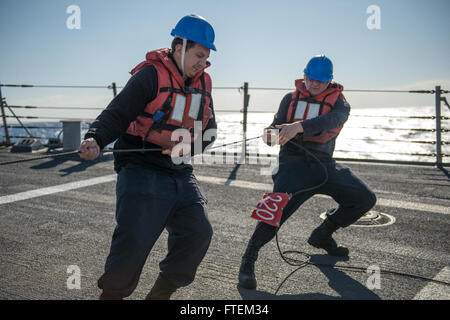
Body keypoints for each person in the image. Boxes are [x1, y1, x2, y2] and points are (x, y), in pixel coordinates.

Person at [79, 14, 217, 300]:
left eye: (206, 57)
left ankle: (161, 294)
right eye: (199, 55)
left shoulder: (204, 84)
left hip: (178, 167)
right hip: (139, 162)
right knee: (134, 240)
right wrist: (95, 138)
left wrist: (187, 148)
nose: (203, 62)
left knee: (198, 232)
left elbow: (210, 131)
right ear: (180, 48)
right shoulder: (150, 75)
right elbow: (117, 113)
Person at [238, 55, 377, 290]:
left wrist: (298, 127)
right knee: (274, 210)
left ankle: (323, 233)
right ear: (304, 76)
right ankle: (248, 258)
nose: (314, 84)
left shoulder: (340, 104)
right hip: (292, 166)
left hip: (324, 165)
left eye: (320, 82)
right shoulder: (288, 99)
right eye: (310, 79)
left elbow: (331, 120)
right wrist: (270, 135)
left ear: (330, 82)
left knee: (365, 198)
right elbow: (273, 128)